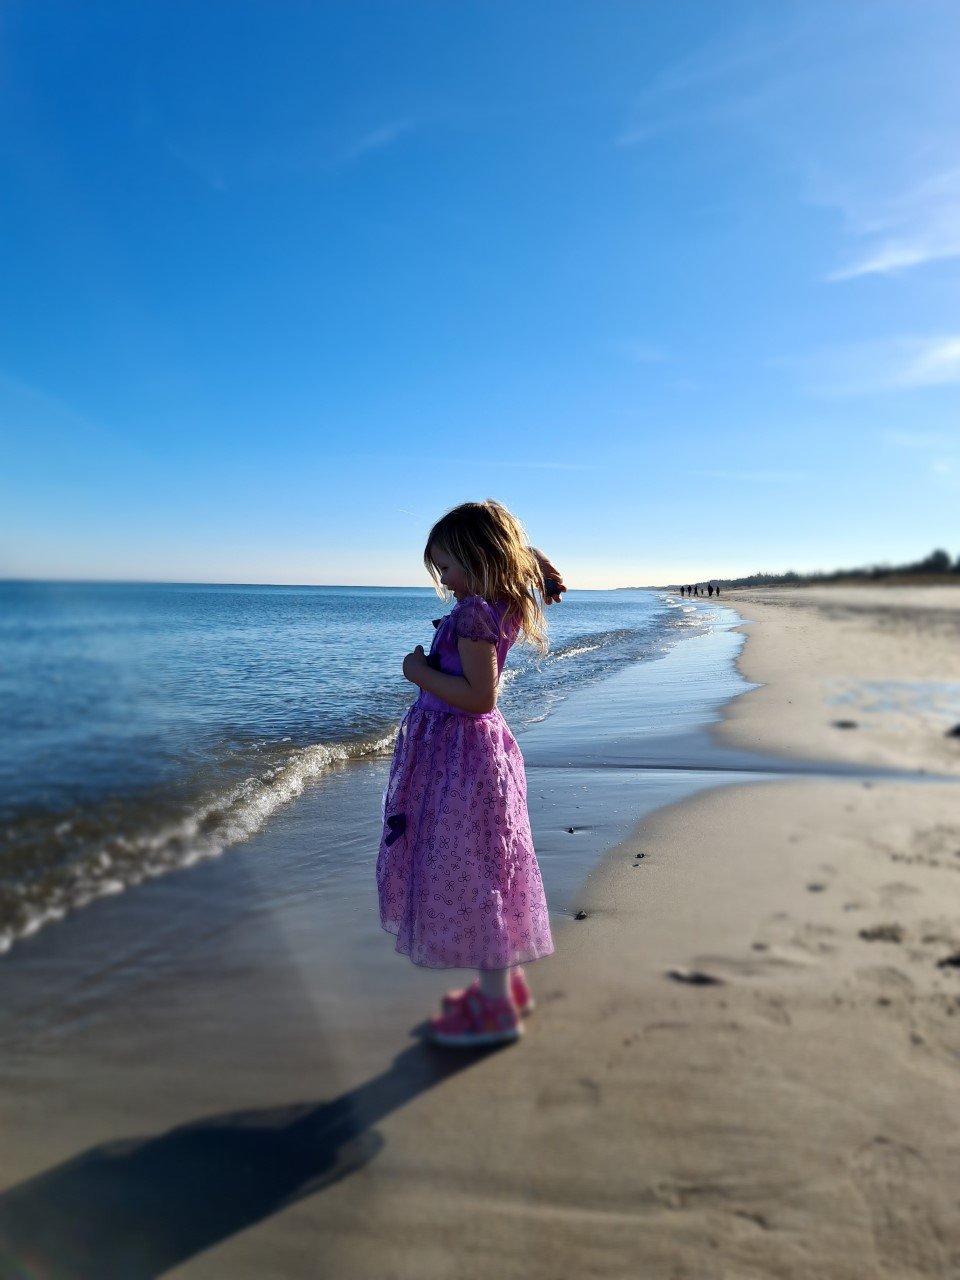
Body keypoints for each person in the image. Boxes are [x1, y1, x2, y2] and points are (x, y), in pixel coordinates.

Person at [376, 499, 565, 1048]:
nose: (446, 582)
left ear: (480, 560)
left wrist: (416, 671)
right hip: (470, 756)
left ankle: (497, 1008)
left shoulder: (474, 614)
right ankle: (498, 986)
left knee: (475, 869)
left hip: (462, 756)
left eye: (449, 568)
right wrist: (541, 568)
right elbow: (520, 555)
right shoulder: (500, 600)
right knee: (487, 863)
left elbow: (478, 697)